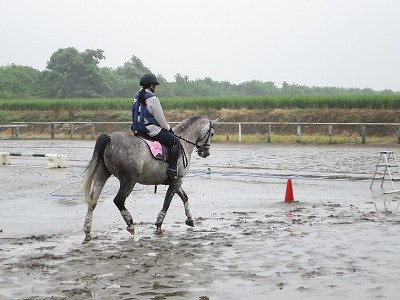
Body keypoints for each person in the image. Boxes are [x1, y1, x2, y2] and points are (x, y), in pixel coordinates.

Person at [131, 73, 181, 179]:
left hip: (138, 130)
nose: (155, 88)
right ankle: (172, 169)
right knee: (175, 142)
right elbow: (161, 120)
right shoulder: (153, 98)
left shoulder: (136, 96)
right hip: (150, 130)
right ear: (151, 85)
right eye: (155, 85)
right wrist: (168, 128)